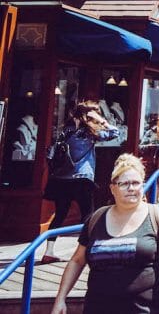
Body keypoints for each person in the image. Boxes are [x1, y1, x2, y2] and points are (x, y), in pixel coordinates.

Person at [50, 153, 159, 314]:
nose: (131, 188)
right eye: (124, 184)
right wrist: (60, 298)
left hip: (146, 309)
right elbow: (77, 261)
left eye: (136, 183)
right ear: (113, 189)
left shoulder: (156, 217)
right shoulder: (96, 218)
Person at [41, 101, 120, 264]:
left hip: (61, 179)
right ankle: (86, 251)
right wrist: (102, 121)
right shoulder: (88, 133)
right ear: (89, 115)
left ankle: (48, 251)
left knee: (60, 214)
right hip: (81, 178)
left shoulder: (66, 131)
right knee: (87, 215)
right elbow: (115, 132)